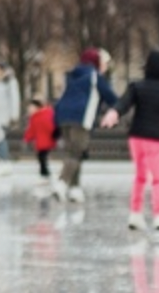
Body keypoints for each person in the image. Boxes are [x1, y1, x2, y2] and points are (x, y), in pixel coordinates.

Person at [106, 48, 159, 235]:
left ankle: (135, 214)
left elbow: (123, 103)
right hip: (155, 139)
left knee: (140, 176)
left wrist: (114, 113)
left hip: (136, 137)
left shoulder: (137, 86)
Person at [51, 47, 119, 204]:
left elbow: (62, 98)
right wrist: (120, 108)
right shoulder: (94, 76)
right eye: (105, 63)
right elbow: (110, 97)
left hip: (64, 118)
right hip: (81, 119)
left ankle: (75, 189)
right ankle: (61, 183)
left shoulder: (72, 75)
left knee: (72, 153)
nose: (106, 66)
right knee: (76, 153)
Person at [24, 97, 58, 186]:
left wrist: (54, 135)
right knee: (41, 159)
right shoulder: (35, 117)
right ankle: (45, 175)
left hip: (46, 141)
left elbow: (50, 126)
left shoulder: (45, 114)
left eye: (31, 108)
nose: (30, 110)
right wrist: (27, 138)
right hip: (40, 142)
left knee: (42, 159)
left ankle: (45, 175)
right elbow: (31, 130)